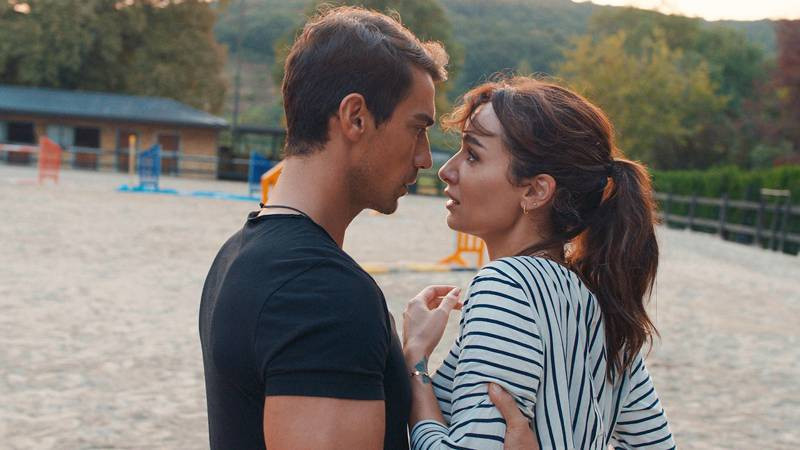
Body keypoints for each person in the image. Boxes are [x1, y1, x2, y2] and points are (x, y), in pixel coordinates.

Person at [199, 7, 534, 449]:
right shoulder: (322, 294)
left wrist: (414, 361)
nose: (425, 158)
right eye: (417, 128)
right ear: (355, 117)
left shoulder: (238, 253)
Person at [402, 77, 676, 449]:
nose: (447, 171)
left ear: (534, 191)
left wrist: (415, 362)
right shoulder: (602, 303)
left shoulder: (505, 286)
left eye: (473, 155)